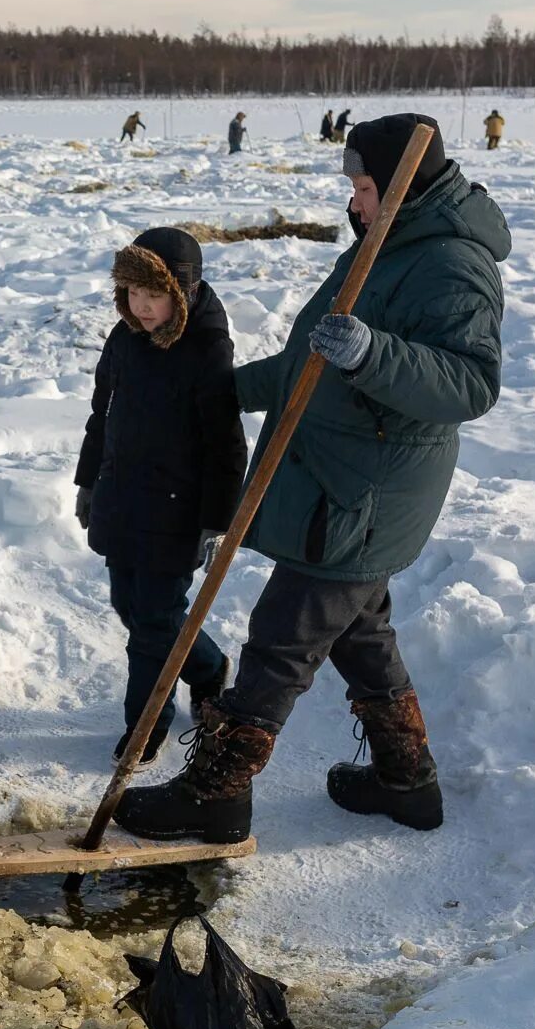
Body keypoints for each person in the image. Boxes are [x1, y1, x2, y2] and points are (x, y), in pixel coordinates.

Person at [113, 113, 508, 844]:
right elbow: (312, 362)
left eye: (363, 186)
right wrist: (226, 390)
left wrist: (372, 353)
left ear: (399, 186)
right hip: (340, 479)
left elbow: (470, 384)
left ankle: (216, 793)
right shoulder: (385, 247)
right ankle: (406, 780)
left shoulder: (451, 264)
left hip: (366, 494)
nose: (353, 202)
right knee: (361, 634)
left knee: (282, 637)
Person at [75, 228, 247, 766]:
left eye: (154, 295)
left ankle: (145, 726)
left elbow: (226, 444)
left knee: (152, 621)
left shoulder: (206, 349)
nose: (142, 307)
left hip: (176, 510)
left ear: (185, 292)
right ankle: (207, 667)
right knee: (131, 606)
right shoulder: (123, 339)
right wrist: (86, 482)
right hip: (122, 496)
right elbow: (100, 414)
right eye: (131, 293)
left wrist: (216, 519)